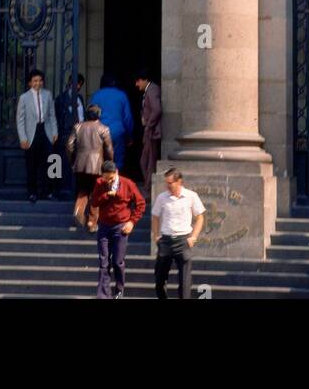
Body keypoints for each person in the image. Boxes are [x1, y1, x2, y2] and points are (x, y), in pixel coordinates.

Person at [87, 160, 146, 299]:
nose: (108, 180)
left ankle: (119, 290)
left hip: (120, 227)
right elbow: (94, 202)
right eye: (105, 178)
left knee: (118, 261)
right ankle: (103, 295)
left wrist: (131, 222)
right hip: (104, 226)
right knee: (104, 261)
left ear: (116, 173)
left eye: (111, 178)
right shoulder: (99, 183)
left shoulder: (128, 184)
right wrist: (106, 194)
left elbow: (141, 204)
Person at [151, 167, 205, 300]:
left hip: (183, 239)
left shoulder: (191, 196)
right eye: (166, 183)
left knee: (185, 280)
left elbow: (200, 217)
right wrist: (156, 235)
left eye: (170, 183)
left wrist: (194, 237)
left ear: (179, 181)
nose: (168, 186)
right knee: (159, 277)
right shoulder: (162, 197)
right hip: (166, 239)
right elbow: (155, 216)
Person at [66, 104, 114, 228]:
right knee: (96, 193)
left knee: (83, 190)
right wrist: (109, 164)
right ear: (99, 115)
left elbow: (69, 146)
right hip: (97, 166)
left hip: (80, 165)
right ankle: (92, 222)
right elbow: (109, 149)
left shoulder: (78, 127)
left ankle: (78, 212)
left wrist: (73, 161)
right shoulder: (104, 128)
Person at [16, 69, 58, 204]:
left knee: (52, 161)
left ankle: (50, 191)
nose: (38, 83)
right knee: (32, 165)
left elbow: (52, 115)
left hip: (45, 130)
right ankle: (32, 192)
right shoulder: (24, 98)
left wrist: (54, 132)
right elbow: (20, 119)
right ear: (30, 83)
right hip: (31, 133)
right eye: (35, 81)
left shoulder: (48, 94)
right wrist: (23, 138)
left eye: (40, 80)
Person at [90, 73, 133, 175]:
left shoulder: (96, 95)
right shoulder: (122, 95)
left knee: (101, 159)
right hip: (117, 132)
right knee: (118, 160)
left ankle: (102, 184)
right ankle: (116, 184)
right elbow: (128, 118)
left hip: (100, 132)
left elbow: (91, 114)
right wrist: (130, 136)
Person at [55, 73, 86, 192]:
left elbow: (83, 115)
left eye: (79, 84)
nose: (77, 86)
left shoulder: (80, 98)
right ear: (69, 83)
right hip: (66, 135)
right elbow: (58, 117)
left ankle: (75, 188)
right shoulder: (60, 99)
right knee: (64, 162)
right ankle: (62, 188)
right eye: (76, 83)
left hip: (80, 135)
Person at [135, 71, 162, 191]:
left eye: (138, 81)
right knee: (145, 161)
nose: (136, 84)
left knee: (147, 161)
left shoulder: (152, 90)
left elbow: (156, 110)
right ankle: (148, 187)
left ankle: (148, 188)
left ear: (144, 80)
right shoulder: (149, 90)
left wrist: (148, 125)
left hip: (152, 132)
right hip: (149, 131)